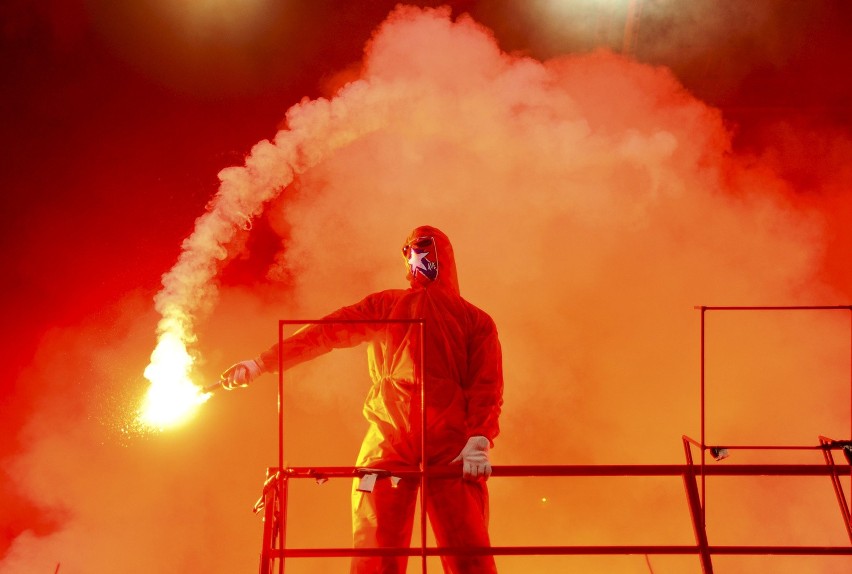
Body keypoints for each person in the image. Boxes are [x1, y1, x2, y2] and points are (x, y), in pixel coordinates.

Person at [221, 225, 504, 574]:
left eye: (425, 250)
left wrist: (479, 436)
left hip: (437, 440)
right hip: (402, 435)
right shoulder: (403, 307)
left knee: (462, 543)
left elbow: (486, 384)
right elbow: (325, 331)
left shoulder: (469, 320)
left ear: (441, 257)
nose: (418, 257)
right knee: (381, 541)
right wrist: (263, 361)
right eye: (413, 250)